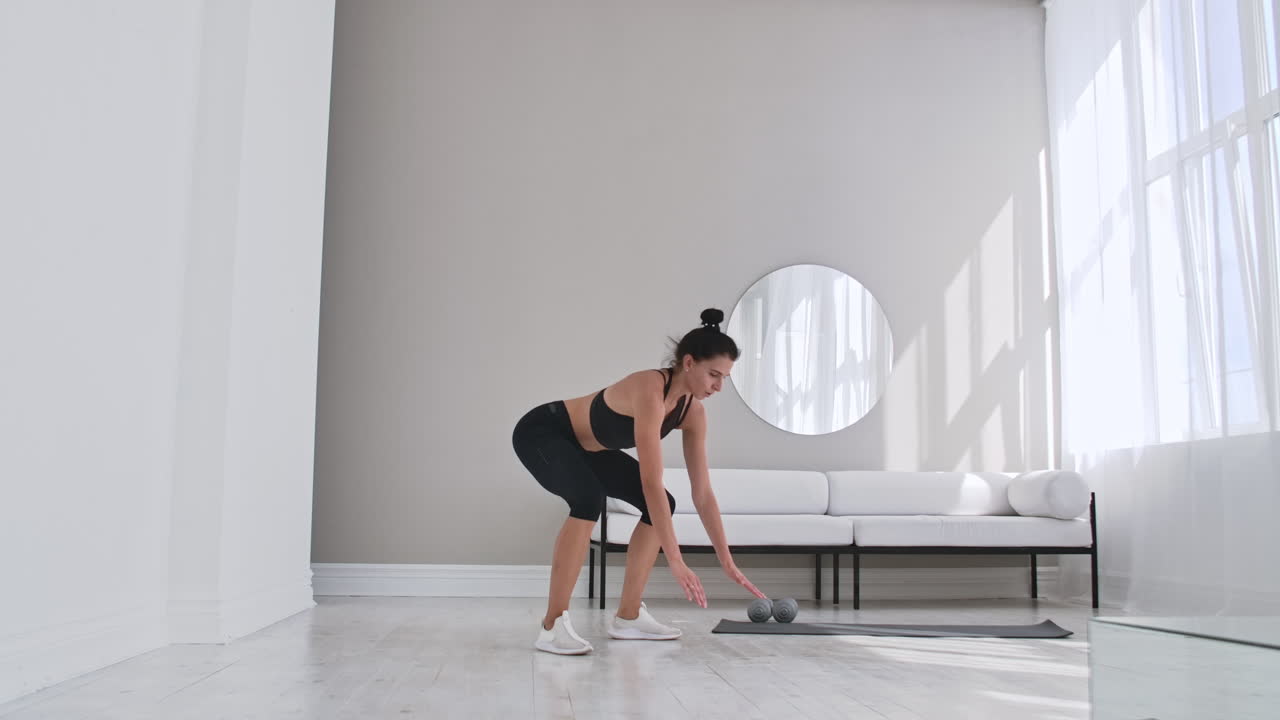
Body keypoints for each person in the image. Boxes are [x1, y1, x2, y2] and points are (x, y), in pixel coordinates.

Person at [512, 308, 767, 655]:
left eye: (724, 378)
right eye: (713, 375)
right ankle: (552, 626)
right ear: (688, 363)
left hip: (590, 450)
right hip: (544, 432)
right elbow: (650, 480)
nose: (718, 387)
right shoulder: (649, 389)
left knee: (664, 504)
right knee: (588, 499)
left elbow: (703, 493)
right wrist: (675, 559)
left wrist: (726, 559)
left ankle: (628, 617)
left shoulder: (693, 413)